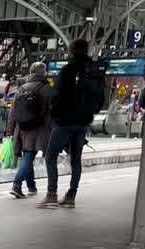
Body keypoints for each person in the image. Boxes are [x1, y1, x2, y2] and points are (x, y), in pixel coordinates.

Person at [40, 39, 103, 209]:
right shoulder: (94, 71)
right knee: (76, 159)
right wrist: (89, 114)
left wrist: (55, 116)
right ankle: (71, 196)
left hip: (65, 121)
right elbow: (100, 97)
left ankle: (51, 194)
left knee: (50, 155)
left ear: (73, 50)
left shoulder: (68, 70)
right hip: (83, 122)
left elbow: (57, 96)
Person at [7, 62, 54, 199]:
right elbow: (53, 113)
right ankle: (16, 185)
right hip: (40, 129)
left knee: (29, 154)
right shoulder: (47, 89)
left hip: (22, 128)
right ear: (42, 73)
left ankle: (31, 186)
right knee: (28, 156)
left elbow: (13, 112)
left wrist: (10, 130)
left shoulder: (22, 88)